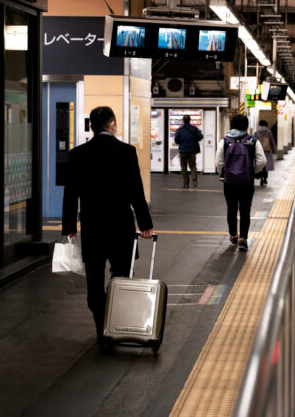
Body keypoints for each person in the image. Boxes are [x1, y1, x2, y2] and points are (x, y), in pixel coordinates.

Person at [62, 106, 153, 344]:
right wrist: (145, 224)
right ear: (112, 124)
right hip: (121, 225)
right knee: (121, 275)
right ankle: (114, 322)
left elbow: (70, 194)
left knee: (93, 278)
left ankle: (100, 324)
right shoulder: (126, 152)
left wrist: (69, 225)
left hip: (92, 227)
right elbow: (136, 190)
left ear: (92, 126)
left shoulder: (77, 154)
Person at [216, 114, 266, 251]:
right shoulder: (253, 141)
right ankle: (243, 239)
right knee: (245, 210)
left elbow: (218, 162)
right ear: (246, 125)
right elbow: (262, 161)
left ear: (232, 125)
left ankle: (233, 235)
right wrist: (252, 171)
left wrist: (225, 173)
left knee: (231, 209)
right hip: (246, 182)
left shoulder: (224, 141)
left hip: (230, 182)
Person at [174, 114, 203, 188]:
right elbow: (200, 137)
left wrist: (182, 142)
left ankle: (186, 183)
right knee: (193, 165)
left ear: (183, 121)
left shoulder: (180, 130)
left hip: (183, 151)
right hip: (192, 151)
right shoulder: (194, 128)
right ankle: (194, 177)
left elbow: (176, 140)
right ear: (190, 120)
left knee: (183, 167)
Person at [254, 119, 277, 186]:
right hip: (267, 152)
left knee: (260, 165)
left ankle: (261, 177)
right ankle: (264, 178)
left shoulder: (256, 133)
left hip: (259, 152)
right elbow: (272, 142)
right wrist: (275, 150)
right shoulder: (269, 133)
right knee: (266, 166)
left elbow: (253, 142)